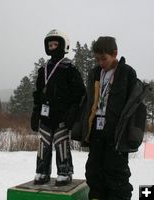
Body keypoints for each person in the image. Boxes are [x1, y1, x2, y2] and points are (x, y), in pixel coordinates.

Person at [83, 36, 137, 200]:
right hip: (97, 131)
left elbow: (133, 105)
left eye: (104, 58)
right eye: (97, 59)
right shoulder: (95, 73)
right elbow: (89, 100)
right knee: (93, 171)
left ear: (114, 53)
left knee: (116, 173)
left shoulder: (127, 73)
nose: (100, 62)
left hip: (116, 133)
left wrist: (129, 133)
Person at [31, 29, 85, 186]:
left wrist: (73, 112)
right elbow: (38, 93)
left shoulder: (70, 68)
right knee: (43, 143)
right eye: (50, 45)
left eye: (55, 44)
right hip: (45, 115)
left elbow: (79, 93)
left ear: (63, 45)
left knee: (61, 142)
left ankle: (64, 172)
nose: (52, 47)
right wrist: (35, 112)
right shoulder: (43, 69)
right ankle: (42, 172)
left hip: (63, 116)